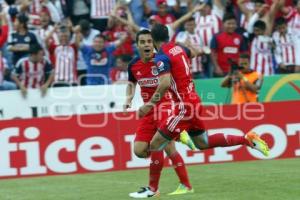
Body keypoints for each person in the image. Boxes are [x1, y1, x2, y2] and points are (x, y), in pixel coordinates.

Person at [136, 23, 269, 159]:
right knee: (203, 143)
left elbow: (164, 83)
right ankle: (247, 139)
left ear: (152, 39)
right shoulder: (178, 48)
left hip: (184, 106)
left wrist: (148, 105)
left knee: (155, 145)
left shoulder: (161, 57)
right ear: (168, 36)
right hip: (194, 101)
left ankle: (178, 137)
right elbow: (194, 53)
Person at [124, 29, 195, 198]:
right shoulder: (133, 65)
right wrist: (128, 98)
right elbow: (131, 84)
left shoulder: (162, 60)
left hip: (165, 106)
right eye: (143, 42)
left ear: (153, 42)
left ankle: (167, 187)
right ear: (138, 45)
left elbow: (170, 80)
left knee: (165, 146)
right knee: (139, 151)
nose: (147, 44)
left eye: (149, 41)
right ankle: (178, 135)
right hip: (148, 113)